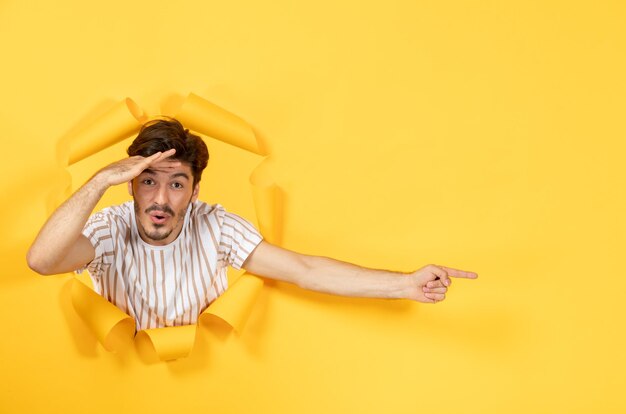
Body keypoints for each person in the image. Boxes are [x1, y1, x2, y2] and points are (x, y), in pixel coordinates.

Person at [27, 118, 478, 331]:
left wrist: (403, 285)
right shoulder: (109, 228)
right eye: (148, 181)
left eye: (177, 184)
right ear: (131, 185)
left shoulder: (216, 227)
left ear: (195, 190)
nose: (160, 199)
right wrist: (100, 179)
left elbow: (305, 270)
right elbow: (42, 261)